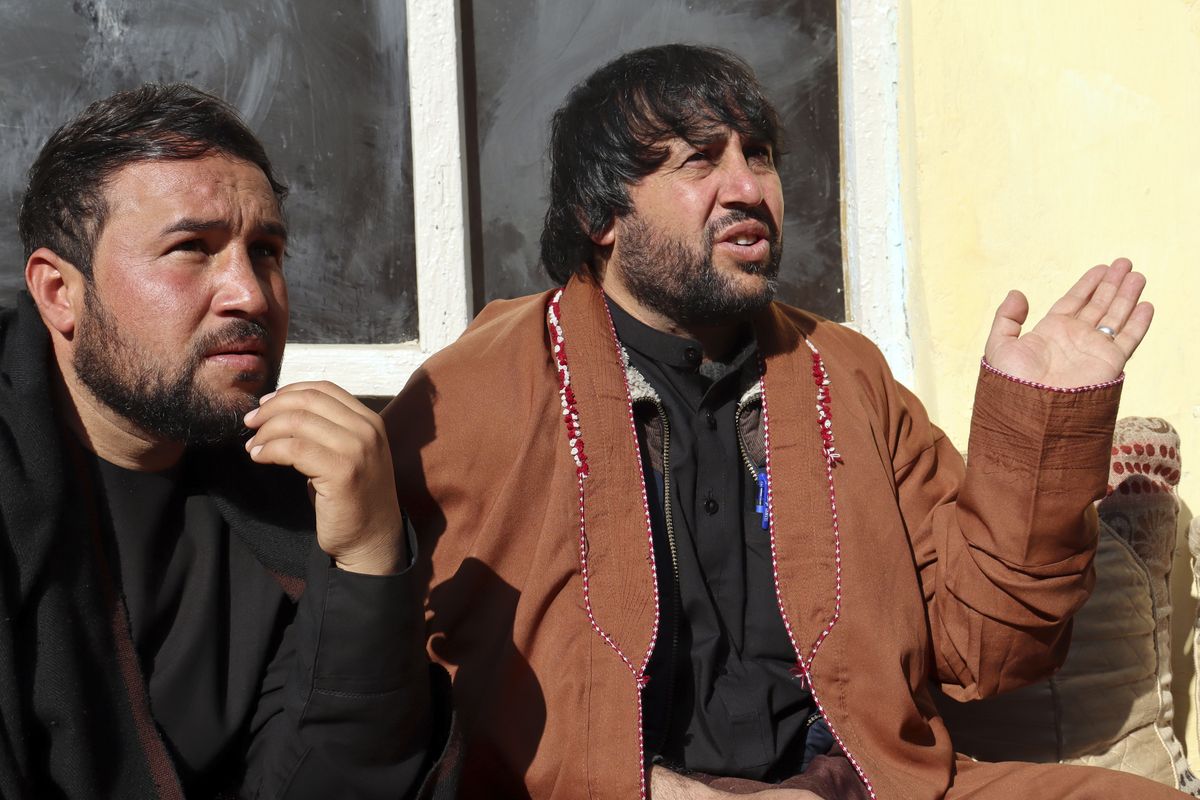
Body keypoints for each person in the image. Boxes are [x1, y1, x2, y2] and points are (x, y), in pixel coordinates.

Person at [384, 44, 1185, 799]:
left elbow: (988, 653)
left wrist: (1034, 436)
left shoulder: (847, 372)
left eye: (758, 153)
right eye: (700, 159)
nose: (747, 189)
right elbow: (395, 668)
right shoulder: (482, 388)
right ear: (603, 217)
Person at [0, 83, 443, 798]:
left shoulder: (289, 492)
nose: (251, 293)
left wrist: (366, 562)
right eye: (190, 248)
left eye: (266, 250)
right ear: (59, 293)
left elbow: (328, 781)